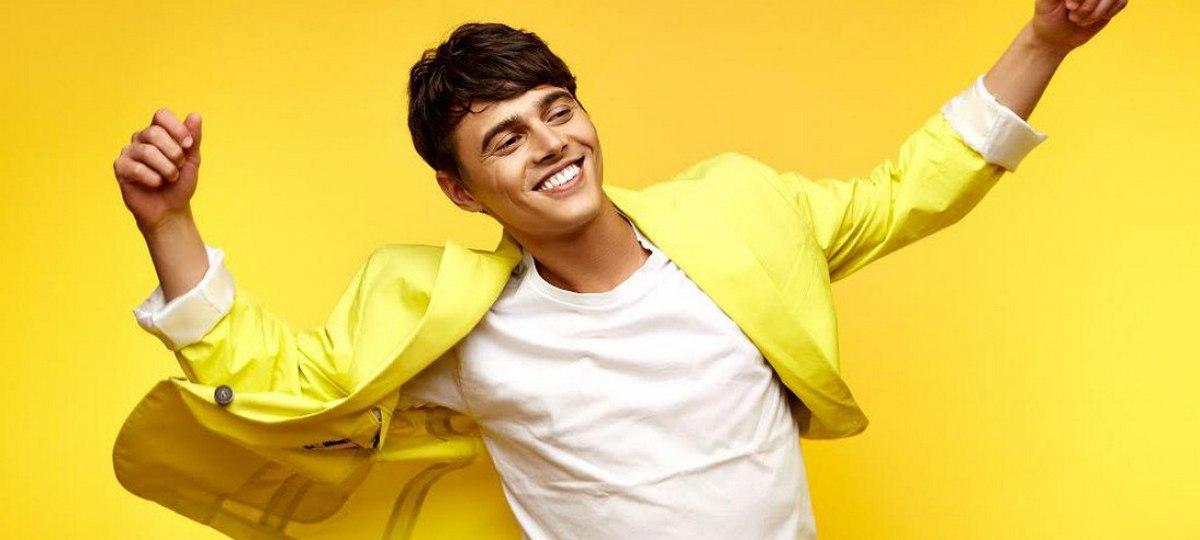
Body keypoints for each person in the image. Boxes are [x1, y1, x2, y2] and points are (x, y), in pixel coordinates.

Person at [111, 1, 1127, 538]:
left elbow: (909, 191)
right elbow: (285, 384)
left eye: (557, 109)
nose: (551, 143)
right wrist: (171, 223)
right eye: (506, 139)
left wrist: (1044, 39)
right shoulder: (458, 326)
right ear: (461, 191)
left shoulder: (741, 217)